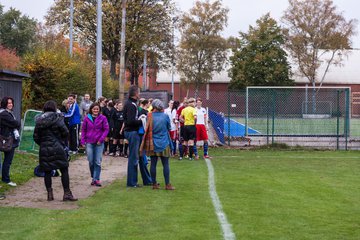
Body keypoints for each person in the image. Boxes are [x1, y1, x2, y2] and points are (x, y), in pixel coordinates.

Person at [33, 100, 77, 201]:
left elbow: (35, 137)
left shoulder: (39, 121)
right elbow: (65, 132)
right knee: (64, 169)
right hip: (58, 148)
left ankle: (49, 194)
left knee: (47, 171)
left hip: (44, 149)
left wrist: (43, 143)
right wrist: (61, 142)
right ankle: (67, 193)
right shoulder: (58, 119)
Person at [140, 99, 175, 190]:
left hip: (153, 143)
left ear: (154, 107)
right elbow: (169, 128)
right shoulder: (165, 116)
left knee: (153, 164)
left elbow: (146, 127)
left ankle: (154, 184)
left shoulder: (149, 115)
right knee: (166, 164)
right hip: (164, 142)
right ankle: (167, 184)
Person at [81, 102, 109, 187]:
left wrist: (101, 139)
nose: (95, 110)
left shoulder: (103, 118)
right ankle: (93, 176)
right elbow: (83, 130)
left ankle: (96, 179)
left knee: (97, 161)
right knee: (91, 161)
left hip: (99, 143)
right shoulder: (86, 118)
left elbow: (106, 129)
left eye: (97, 109)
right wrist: (82, 141)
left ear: (99, 110)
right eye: (94, 109)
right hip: (89, 142)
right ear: (91, 110)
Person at [123, 85, 144, 188]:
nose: (139, 94)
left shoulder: (130, 103)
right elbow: (130, 121)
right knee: (133, 157)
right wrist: (142, 121)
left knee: (134, 157)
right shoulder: (131, 105)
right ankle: (132, 182)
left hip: (130, 131)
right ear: (135, 94)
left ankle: (133, 182)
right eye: (138, 92)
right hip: (132, 132)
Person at [0, 97, 21, 187]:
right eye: (8, 103)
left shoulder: (8, 113)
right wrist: (15, 123)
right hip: (6, 140)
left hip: (8, 139)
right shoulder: (4, 114)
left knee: (7, 161)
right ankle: (6, 179)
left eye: (11, 103)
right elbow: (16, 123)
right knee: (7, 161)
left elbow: (14, 124)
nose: (10, 104)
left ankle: (5, 178)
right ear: (4, 104)